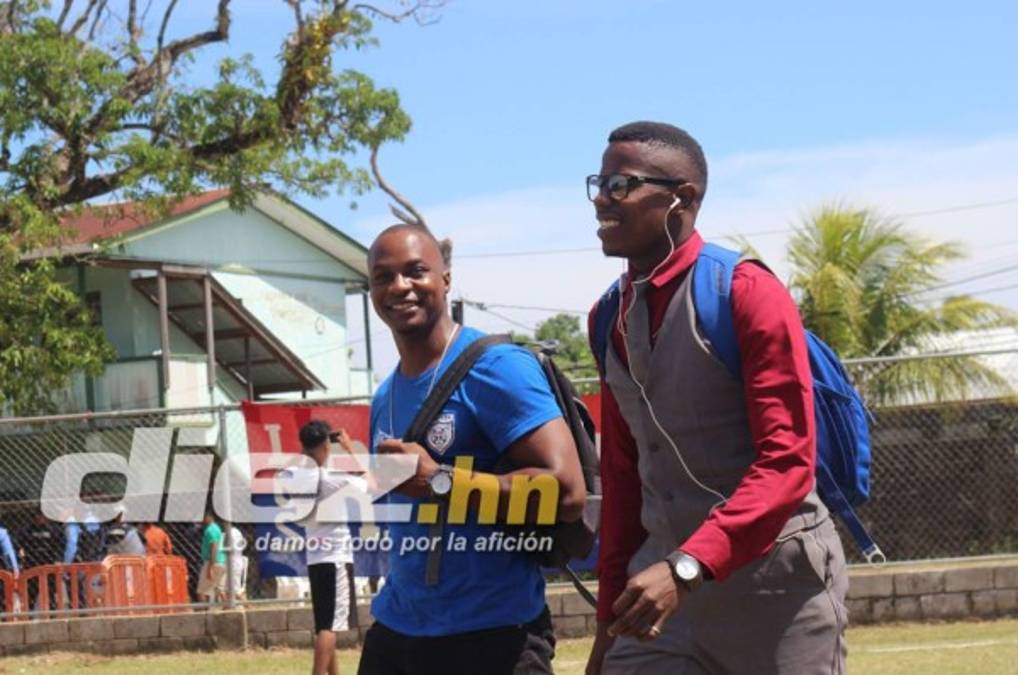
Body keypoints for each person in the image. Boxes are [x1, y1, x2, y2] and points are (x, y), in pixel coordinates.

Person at [584, 121, 848, 675]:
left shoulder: (747, 293)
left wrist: (687, 567)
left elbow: (788, 464)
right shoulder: (607, 316)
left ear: (682, 198)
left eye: (621, 184)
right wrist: (610, 622)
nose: (602, 200)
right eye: (599, 183)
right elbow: (625, 477)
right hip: (659, 597)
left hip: (776, 591)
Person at [357, 223, 586, 675]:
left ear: (445, 279)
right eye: (383, 277)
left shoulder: (497, 367)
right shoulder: (386, 395)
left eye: (416, 271)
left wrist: (440, 481)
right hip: (398, 631)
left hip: (493, 636)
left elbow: (566, 493)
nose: (399, 287)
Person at [299, 420, 367, 675]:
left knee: (325, 625)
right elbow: (371, 483)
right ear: (326, 445)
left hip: (315, 558)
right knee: (330, 627)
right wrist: (350, 449)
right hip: (335, 556)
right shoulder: (330, 479)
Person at [18, 511, 64, 613]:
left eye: (44, 516)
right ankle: (28, 616)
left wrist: (58, 559)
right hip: (32, 566)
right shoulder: (26, 530)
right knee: (30, 595)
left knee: (50, 594)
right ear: (34, 517)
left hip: (49, 566)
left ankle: (52, 616)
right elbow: (20, 544)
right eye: (38, 516)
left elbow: (60, 546)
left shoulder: (54, 530)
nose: (41, 519)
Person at [197, 509, 227, 605]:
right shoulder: (217, 528)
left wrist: (210, 567)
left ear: (209, 517)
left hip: (213, 562)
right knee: (220, 589)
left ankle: (205, 615)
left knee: (201, 592)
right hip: (222, 561)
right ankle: (229, 608)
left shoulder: (210, 530)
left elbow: (214, 547)